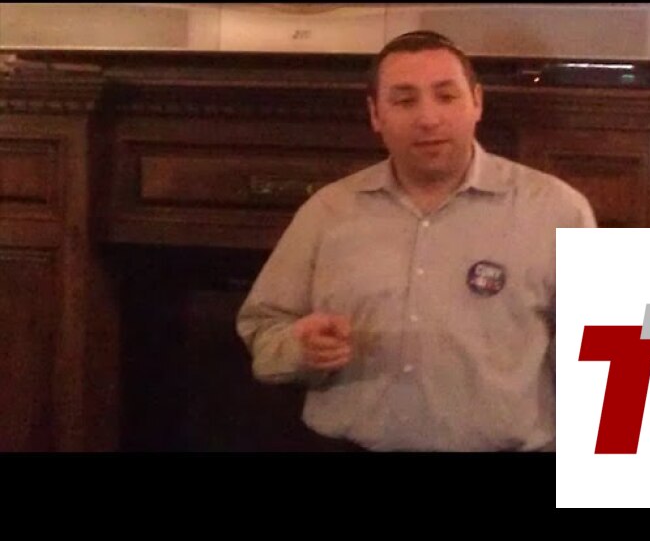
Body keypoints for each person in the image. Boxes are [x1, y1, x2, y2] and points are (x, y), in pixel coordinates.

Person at [236, 30, 596, 452]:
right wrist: (300, 348)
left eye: (446, 96)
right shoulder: (327, 212)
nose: (428, 118)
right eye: (405, 101)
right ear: (376, 114)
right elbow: (263, 329)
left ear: (476, 102)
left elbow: (609, 371)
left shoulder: (557, 210)